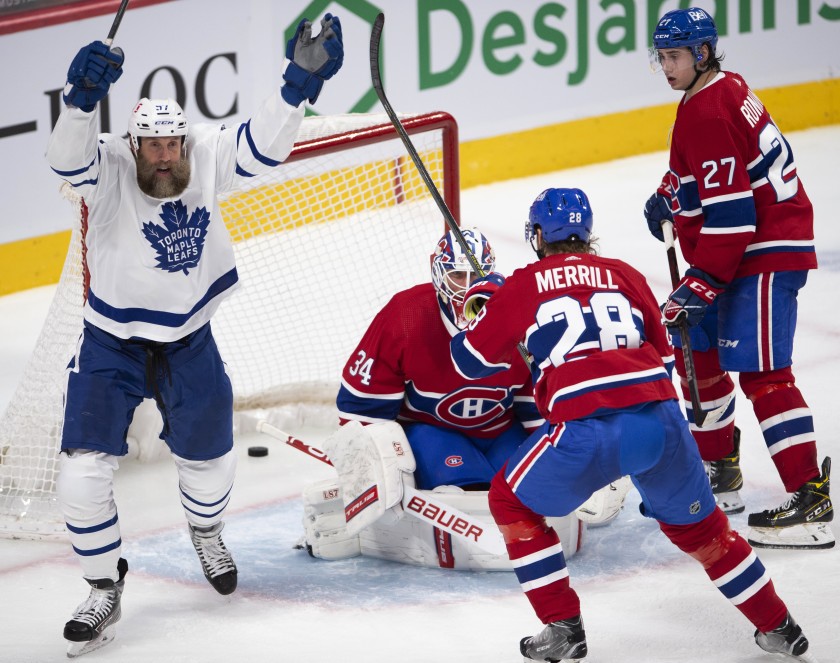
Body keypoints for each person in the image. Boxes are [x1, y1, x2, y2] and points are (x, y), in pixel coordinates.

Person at [46, 14, 343, 657]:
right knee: (79, 476)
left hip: (189, 342)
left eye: (171, 145)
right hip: (110, 345)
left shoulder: (205, 154)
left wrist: (297, 84)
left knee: (210, 462)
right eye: (151, 148)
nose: (163, 158)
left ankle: (205, 533)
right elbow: (64, 159)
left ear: (184, 141)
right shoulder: (110, 168)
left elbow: (261, 146)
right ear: (134, 145)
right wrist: (77, 104)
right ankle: (104, 586)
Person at [450, 187, 814, 661]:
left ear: (538, 235)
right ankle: (779, 625)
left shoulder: (523, 284)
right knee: (706, 533)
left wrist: (483, 305)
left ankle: (563, 626)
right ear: (586, 233)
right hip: (661, 422)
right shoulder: (623, 273)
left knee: (510, 502)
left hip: (586, 430)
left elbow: (468, 363)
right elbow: (664, 353)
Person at [299, 228, 619, 570]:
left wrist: (572, 454)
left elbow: (537, 398)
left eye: (475, 275)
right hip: (431, 430)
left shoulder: (517, 311)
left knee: (534, 483)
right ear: (438, 274)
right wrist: (370, 468)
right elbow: (361, 405)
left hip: (500, 429)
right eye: (456, 275)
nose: (466, 286)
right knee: (468, 493)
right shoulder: (405, 315)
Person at [643, 6, 832, 549]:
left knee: (766, 377)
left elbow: (734, 216)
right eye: (661, 57)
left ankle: (811, 499)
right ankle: (720, 470)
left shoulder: (710, 110)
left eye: (675, 56)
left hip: (764, 250)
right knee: (695, 350)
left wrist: (700, 283)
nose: (667, 66)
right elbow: (701, 170)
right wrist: (670, 194)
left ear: (702, 53)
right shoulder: (717, 91)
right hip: (740, 252)